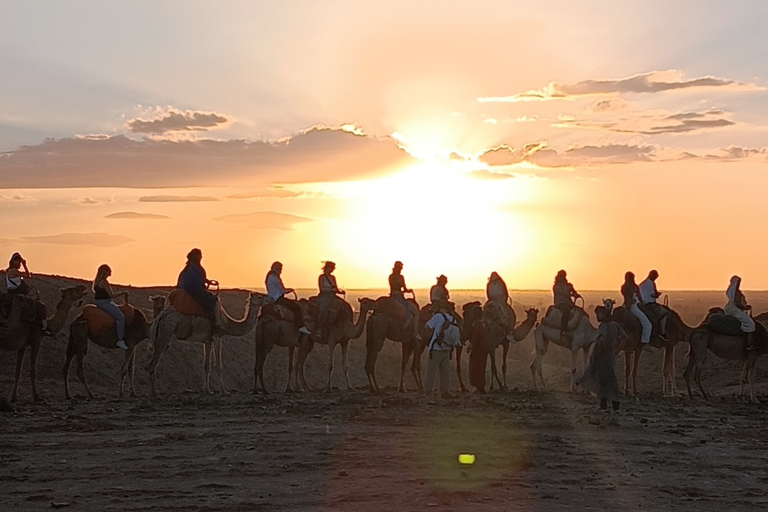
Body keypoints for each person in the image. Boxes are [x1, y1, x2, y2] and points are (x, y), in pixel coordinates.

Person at [578, 305, 626, 412]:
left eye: (598, 314)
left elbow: (602, 341)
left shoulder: (603, 327)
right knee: (610, 380)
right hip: (610, 356)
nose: (597, 317)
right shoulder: (615, 325)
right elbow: (623, 337)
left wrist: (597, 354)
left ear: (604, 315)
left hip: (603, 356)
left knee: (604, 380)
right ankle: (611, 404)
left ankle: (607, 404)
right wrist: (617, 350)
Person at [424, 303, 461, 398]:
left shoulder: (438, 316)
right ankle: (445, 391)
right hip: (447, 348)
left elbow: (427, 326)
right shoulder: (452, 319)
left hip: (436, 347)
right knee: (445, 372)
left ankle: (428, 391)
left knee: (431, 371)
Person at [266, 261, 310, 334]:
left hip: (272, 298)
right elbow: (283, 291)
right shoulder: (275, 278)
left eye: (280, 268)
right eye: (278, 268)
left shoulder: (269, 277)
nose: (280, 270)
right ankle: (299, 326)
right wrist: (290, 290)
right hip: (278, 299)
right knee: (297, 308)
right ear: (273, 268)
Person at [177, 248, 219, 323]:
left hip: (184, 290)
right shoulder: (195, 268)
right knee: (213, 300)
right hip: (194, 290)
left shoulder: (188, 268)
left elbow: (201, 279)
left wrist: (209, 282)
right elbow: (197, 282)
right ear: (197, 256)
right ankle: (214, 322)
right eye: (200, 256)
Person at [93, 264, 128, 350]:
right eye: (109, 270)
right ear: (105, 271)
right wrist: (123, 292)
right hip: (105, 303)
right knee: (121, 317)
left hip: (101, 302)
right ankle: (120, 340)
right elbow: (111, 295)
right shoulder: (104, 282)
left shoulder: (97, 281)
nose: (110, 272)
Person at [725, 275, 757, 350]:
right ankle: (749, 344)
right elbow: (738, 304)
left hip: (731, 309)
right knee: (751, 324)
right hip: (736, 311)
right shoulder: (737, 293)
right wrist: (745, 307)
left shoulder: (734, 292)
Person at [389, 261, 419, 339]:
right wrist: (409, 290)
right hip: (399, 297)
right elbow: (404, 289)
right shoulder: (400, 277)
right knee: (416, 312)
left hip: (392, 296)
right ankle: (415, 333)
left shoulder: (391, 276)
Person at [315, 261, 345, 340]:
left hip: (333, 296)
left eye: (333, 268)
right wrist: (331, 289)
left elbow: (336, 288)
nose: (332, 270)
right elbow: (322, 288)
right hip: (324, 296)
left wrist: (340, 292)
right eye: (331, 268)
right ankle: (319, 328)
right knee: (324, 308)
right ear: (327, 268)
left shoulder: (333, 278)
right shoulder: (321, 277)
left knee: (343, 306)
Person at [621, 271, 652, 345]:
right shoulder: (634, 287)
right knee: (647, 324)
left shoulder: (623, 287)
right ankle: (644, 341)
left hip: (624, 306)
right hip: (633, 307)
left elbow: (626, 298)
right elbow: (639, 298)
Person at [638, 270, 668, 340]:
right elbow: (652, 294)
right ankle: (662, 333)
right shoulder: (650, 283)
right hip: (649, 304)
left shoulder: (643, 283)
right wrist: (657, 294)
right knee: (665, 313)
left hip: (642, 304)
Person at [486, 272, 515, 343]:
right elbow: (505, 292)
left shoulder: (490, 284)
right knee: (511, 315)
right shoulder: (500, 282)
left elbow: (488, 294)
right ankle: (510, 333)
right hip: (498, 300)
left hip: (495, 300)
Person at [553, 270, 582, 335]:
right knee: (566, 312)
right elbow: (565, 293)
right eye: (560, 276)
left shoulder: (568, 285)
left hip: (569, 303)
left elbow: (574, 292)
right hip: (560, 303)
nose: (561, 277)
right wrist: (572, 295)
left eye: (562, 276)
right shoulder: (556, 286)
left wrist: (575, 294)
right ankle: (564, 330)